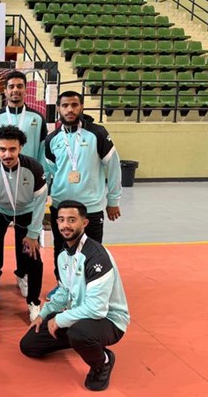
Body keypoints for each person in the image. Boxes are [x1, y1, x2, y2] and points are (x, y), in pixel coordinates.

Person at [20, 200, 129, 392]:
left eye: (72, 220)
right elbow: (64, 291)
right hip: (79, 315)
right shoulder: (64, 255)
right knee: (29, 345)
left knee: (79, 334)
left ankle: (103, 362)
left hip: (108, 320)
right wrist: (43, 315)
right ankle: (80, 341)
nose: (65, 225)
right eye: (61, 220)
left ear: (84, 223)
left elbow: (96, 309)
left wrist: (59, 319)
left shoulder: (96, 256)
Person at [45, 90, 122, 297]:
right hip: (61, 206)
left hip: (90, 207)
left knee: (92, 250)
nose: (70, 109)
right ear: (58, 109)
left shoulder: (98, 133)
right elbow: (51, 172)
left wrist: (113, 200)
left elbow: (113, 166)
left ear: (81, 107)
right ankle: (63, 287)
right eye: (65, 106)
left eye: (74, 105)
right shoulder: (52, 139)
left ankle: (91, 289)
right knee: (61, 249)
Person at [0, 126, 47, 320]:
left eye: (12, 149)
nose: (7, 154)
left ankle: (33, 302)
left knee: (33, 255)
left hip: (26, 211)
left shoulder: (34, 168)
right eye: (2, 149)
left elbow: (41, 202)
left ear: (20, 148)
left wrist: (33, 234)